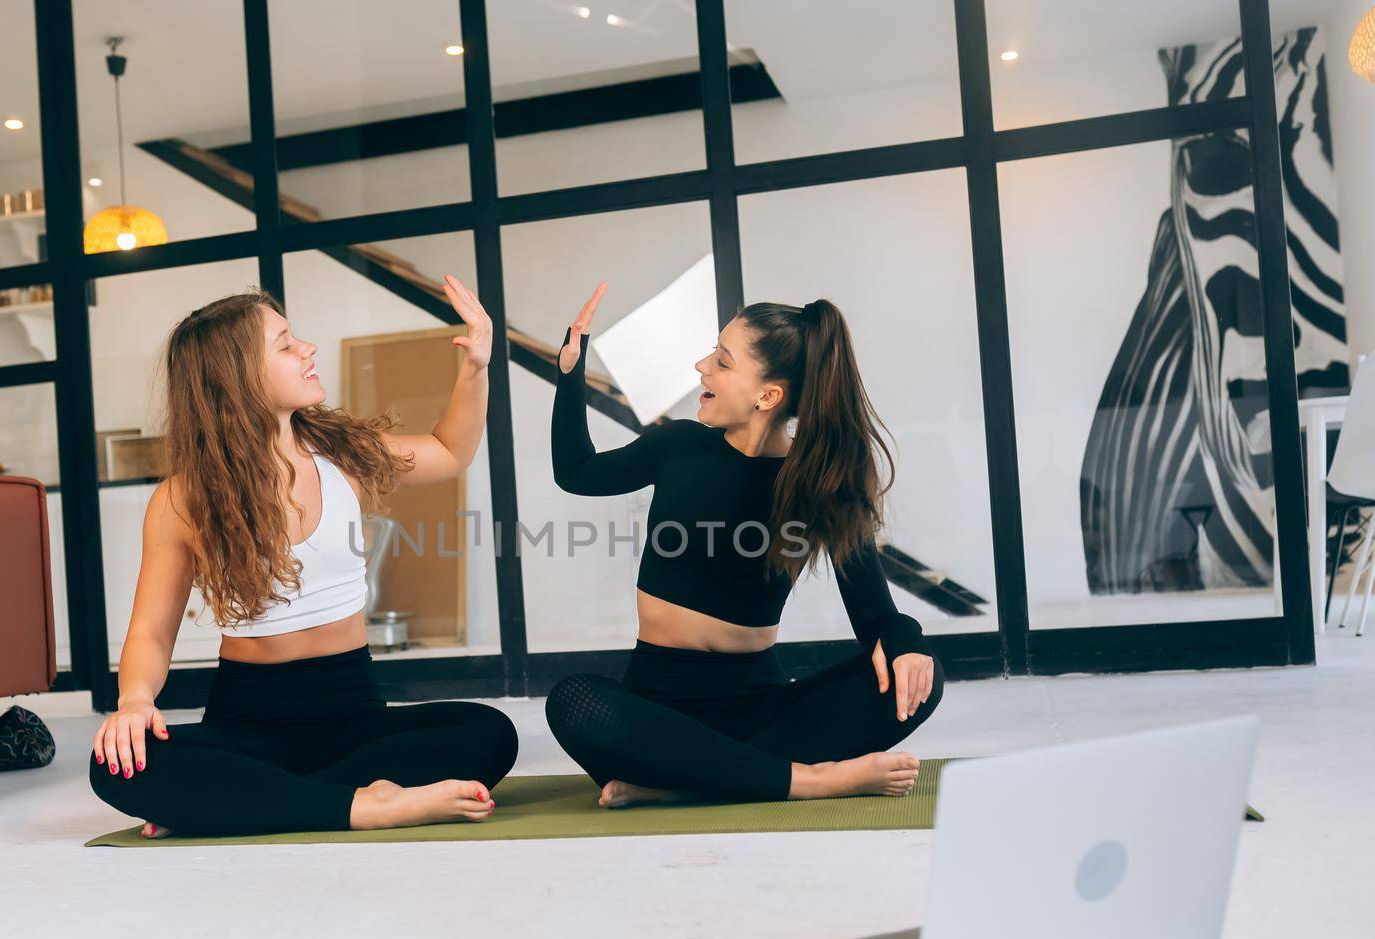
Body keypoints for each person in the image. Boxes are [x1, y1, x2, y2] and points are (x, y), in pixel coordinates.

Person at [89, 280, 517, 838]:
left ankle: (245, 800)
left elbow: (449, 452)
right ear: (236, 377)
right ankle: (366, 804)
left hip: (354, 716)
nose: (307, 349)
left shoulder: (344, 457)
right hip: (246, 724)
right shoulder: (181, 499)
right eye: (286, 344)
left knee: (489, 732)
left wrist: (476, 368)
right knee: (114, 765)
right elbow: (150, 632)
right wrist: (135, 700)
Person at [542, 284, 944, 808]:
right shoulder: (679, 446)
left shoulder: (818, 483)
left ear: (768, 395)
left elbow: (874, 614)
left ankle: (686, 780)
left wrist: (908, 643)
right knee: (573, 702)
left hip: (759, 707)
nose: (701, 366)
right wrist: (570, 371)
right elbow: (576, 472)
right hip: (657, 705)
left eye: (722, 362)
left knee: (920, 681)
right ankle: (811, 781)